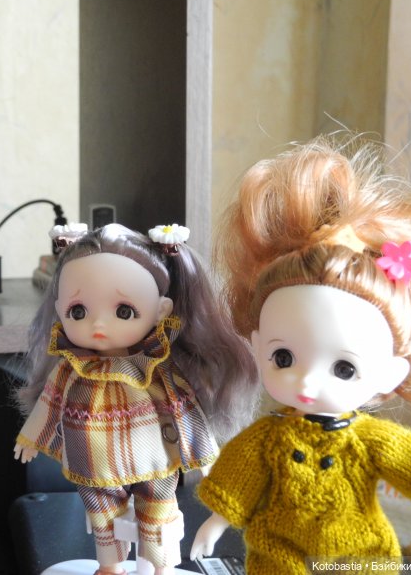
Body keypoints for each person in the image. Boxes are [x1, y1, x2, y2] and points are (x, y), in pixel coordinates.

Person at [189, 136, 411, 574]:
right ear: (258, 344)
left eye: (343, 368)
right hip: (279, 552)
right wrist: (215, 522)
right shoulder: (267, 439)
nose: (306, 382)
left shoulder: (370, 442)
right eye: (284, 358)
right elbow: (238, 482)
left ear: (391, 373)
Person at [14, 223, 259, 574]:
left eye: (124, 311)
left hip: (153, 455)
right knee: (101, 511)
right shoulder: (72, 368)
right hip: (94, 460)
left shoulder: (154, 367)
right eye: (78, 311)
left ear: (161, 310)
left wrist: (202, 453)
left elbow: (183, 409)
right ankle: (110, 566)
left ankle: (158, 566)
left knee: (158, 509)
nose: (98, 325)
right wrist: (31, 437)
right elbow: (50, 402)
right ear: (59, 309)